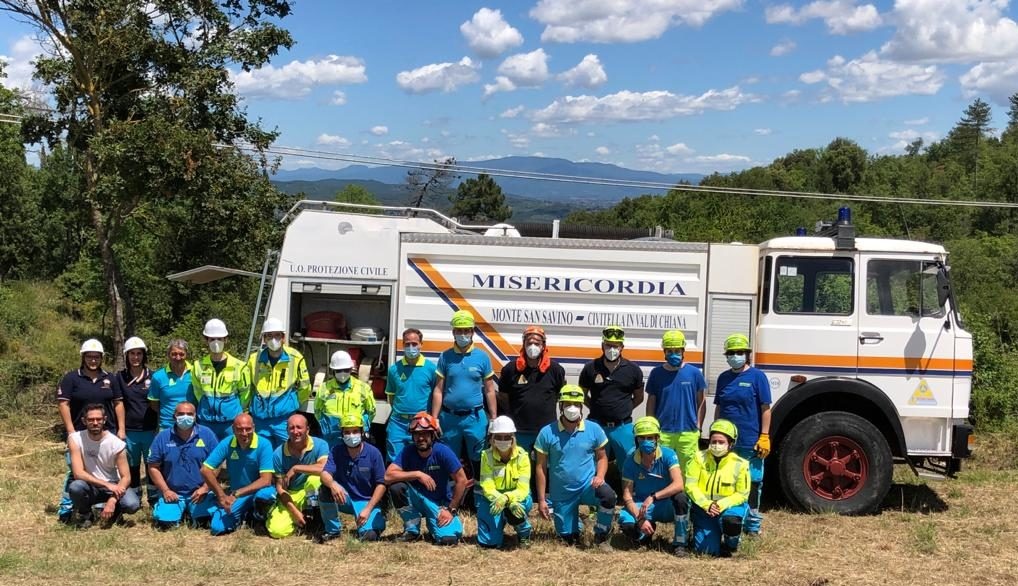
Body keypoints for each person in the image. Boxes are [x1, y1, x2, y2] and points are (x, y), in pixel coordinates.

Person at [534, 385, 616, 547]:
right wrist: (542, 500)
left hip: (588, 486)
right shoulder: (546, 432)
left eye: (576, 404)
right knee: (569, 540)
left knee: (608, 495)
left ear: (581, 407)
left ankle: (602, 534)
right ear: (560, 406)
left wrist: (599, 477)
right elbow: (540, 468)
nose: (572, 408)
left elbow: (602, 458)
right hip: (562, 493)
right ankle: (575, 524)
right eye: (567, 404)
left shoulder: (594, 429)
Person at [56, 338, 124, 521]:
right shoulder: (71, 378)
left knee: (109, 470)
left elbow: (118, 403)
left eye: (96, 357)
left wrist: (121, 430)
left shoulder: (110, 378)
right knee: (75, 472)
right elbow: (63, 404)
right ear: (83, 357)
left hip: (105, 433)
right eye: (89, 357)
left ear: (101, 358)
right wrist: (71, 431)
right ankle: (67, 507)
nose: (93, 360)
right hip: (79, 434)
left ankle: (109, 504)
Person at [714, 333, 771, 536]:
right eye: (731, 353)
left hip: (751, 441)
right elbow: (719, 408)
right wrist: (716, 432)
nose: (735, 356)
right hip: (727, 443)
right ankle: (731, 520)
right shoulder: (723, 378)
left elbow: (765, 408)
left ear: (747, 355)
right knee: (728, 482)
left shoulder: (757, 377)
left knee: (753, 483)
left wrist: (764, 435)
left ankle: (752, 526)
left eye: (739, 352)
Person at [431, 310, 497, 483]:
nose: (463, 334)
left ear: (472, 332)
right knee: (449, 459)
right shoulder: (445, 356)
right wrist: (435, 418)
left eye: (466, 330)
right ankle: (450, 498)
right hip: (449, 418)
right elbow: (438, 389)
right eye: (459, 331)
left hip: (475, 418)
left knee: (479, 458)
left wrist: (494, 418)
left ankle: (478, 497)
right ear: (453, 332)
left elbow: (490, 390)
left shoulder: (482, 357)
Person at [385, 412, 468, 545]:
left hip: (439, 504)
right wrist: (417, 474)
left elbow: (462, 480)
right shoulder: (408, 451)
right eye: (417, 434)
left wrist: (451, 510)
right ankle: (412, 530)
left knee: (449, 540)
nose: (421, 438)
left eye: (425, 434)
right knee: (397, 487)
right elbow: (388, 476)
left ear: (432, 435)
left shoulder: (443, 451)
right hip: (416, 499)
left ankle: (433, 524)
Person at [619, 416, 690, 556]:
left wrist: (654, 496)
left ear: (657, 438)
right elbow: (627, 495)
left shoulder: (669, 455)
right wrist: (640, 519)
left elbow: (679, 484)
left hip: (665, 503)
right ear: (636, 440)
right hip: (642, 506)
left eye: (650, 437)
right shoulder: (630, 460)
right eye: (642, 438)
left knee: (681, 499)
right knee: (627, 525)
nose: (646, 441)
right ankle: (645, 535)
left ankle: (680, 543)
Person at [64, 404, 140, 527]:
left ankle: (115, 511)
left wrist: (112, 500)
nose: (95, 423)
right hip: (90, 486)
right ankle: (86, 514)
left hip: (113, 485)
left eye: (98, 419)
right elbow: (78, 473)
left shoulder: (116, 444)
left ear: (104, 420)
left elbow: (126, 477)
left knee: (132, 504)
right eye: (91, 420)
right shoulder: (75, 439)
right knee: (76, 487)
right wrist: (106, 484)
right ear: (84, 421)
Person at [200, 413, 277, 536]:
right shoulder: (227, 442)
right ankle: (242, 514)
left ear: (254, 427)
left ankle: (258, 518)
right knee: (217, 528)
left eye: (248, 429)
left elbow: (266, 480)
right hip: (237, 494)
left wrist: (236, 494)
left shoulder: (264, 444)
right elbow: (205, 469)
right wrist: (221, 495)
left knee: (264, 495)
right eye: (239, 429)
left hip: (258, 491)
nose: (244, 433)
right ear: (233, 429)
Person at [147, 401, 219, 528]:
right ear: (174, 416)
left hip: (200, 492)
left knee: (204, 523)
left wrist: (205, 488)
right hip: (173, 493)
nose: (185, 417)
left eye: (189, 414)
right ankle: (175, 510)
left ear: (195, 416)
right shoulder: (162, 437)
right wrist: (165, 490)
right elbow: (153, 467)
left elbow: (217, 464)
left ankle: (192, 511)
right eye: (181, 414)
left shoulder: (207, 434)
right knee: (166, 525)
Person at [579, 325, 644, 465]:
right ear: (602, 345)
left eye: (616, 346)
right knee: (593, 465)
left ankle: (626, 488)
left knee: (629, 465)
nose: (612, 349)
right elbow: (582, 395)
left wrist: (624, 408)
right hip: (596, 426)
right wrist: (596, 407)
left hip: (623, 427)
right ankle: (595, 488)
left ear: (622, 347)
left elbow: (639, 397)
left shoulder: (633, 370)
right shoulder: (590, 368)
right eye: (608, 345)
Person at [318, 413, 387, 542]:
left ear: (362, 432)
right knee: (324, 489)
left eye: (355, 431)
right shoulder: (336, 450)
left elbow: (381, 485)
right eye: (347, 432)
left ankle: (374, 522)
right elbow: (324, 474)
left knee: (369, 537)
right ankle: (333, 531)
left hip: (367, 501)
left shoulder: (374, 453)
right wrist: (333, 484)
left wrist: (368, 509)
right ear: (342, 434)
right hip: (345, 498)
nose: (351, 435)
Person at [686, 419, 750, 557]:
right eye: (713, 441)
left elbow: (742, 494)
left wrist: (720, 505)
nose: (716, 445)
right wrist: (706, 504)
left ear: (731, 444)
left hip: (728, 509)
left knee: (731, 522)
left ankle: (731, 543)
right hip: (704, 510)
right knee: (706, 551)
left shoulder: (741, 464)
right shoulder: (698, 458)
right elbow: (690, 485)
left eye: (721, 442)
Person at [645, 330, 707, 473]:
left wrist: (698, 427)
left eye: (677, 351)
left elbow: (701, 402)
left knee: (689, 471)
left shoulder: (694, 373)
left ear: (683, 350)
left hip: (688, 433)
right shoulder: (656, 373)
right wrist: (651, 426)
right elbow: (651, 402)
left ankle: (685, 496)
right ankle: (664, 495)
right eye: (670, 351)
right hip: (663, 432)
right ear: (664, 352)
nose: (674, 354)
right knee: (661, 469)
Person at [497, 325, 565, 454]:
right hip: (519, 431)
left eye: (537, 343)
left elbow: (559, 395)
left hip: (547, 430)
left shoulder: (556, 370)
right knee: (521, 469)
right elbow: (503, 396)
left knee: (545, 467)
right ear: (524, 344)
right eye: (529, 343)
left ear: (543, 346)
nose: (532, 347)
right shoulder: (510, 369)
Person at [248, 317, 311, 448]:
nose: (273, 339)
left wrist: (293, 404)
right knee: (262, 458)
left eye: (277, 335)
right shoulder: (254, 359)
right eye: (269, 336)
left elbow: (305, 387)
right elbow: (248, 387)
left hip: (284, 420)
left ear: (283, 337)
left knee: (287, 456)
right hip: (259, 420)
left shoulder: (295, 358)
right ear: (264, 338)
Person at [265, 414, 329, 539]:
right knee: (277, 531)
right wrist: (294, 512)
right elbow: (281, 488)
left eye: (299, 427)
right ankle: (300, 519)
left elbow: (323, 468)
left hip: (311, 491)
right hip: (292, 494)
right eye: (291, 428)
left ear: (307, 429)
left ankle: (318, 518)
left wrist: (296, 468)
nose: (295, 432)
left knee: (315, 480)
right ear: (287, 431)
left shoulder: (320, 445)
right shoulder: (278, 454)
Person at [113, 336, 158, 505]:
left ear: (144, 355)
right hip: (130, 430)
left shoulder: (153, 376)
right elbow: (119, 403)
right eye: (132, 354)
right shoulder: (119, 377)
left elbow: (158, 403)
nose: (135, 357)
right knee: (131, 465)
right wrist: (121, 429)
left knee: (151, 464)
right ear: (126, 356)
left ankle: (153, 497)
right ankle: (135, 496)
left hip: (150, 429)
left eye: (139, 353)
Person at [476, 416, 533, 549]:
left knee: (514, 511)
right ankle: (497, 528)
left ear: (513, 438)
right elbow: (487, 485)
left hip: (518, 499)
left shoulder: (522, 456)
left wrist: (508, 498)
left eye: (506, 437)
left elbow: (523, 488)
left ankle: (524, 532)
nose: (503, 441)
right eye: (498, 437)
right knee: (490, 544)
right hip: (493, 499)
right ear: (492, 439)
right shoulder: (486, 456)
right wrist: (499, 498)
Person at [191, 319, 251, 440]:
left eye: (220, 339)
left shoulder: (239, 366)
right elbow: (198, 392)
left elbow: (245, 394)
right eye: (212, 339)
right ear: (206, 340)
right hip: (206, 421)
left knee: (232, 455)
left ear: (226, 340)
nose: (216, 342)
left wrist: (234, 410)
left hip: (231, 422)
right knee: (207, 456)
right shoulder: (198, 365)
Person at [384, 328, 438, 462]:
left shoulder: (431, 368)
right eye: (407, 344)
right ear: (403, 345)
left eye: (414, 344)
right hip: (398, 422)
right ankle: (398, 483)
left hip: (422, 423)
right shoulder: (394, 369)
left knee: (421, 459)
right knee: (395, 460)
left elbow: (436, 394)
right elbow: (391, 396)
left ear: (421, 344)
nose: (411, 347)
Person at [315, 350, 375, 448]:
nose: (342, 373)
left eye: (346, 370)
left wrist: (363, 426)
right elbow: (318, 410)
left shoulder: (363, 388)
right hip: (332, 436)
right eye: (338, 370)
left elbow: (371, 411)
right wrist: (325, 425)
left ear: (351, 369)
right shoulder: (324, 388)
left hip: (353, 434)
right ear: (333, 370)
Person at [147, 339, 192, 431]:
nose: (178, 357)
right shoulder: (158, 376)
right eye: (174, 354)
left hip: (191, 425)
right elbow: (154, 404)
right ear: (168, 355)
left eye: (181, 354)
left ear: (187, 355)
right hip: (167, 426)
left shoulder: (195, 373)